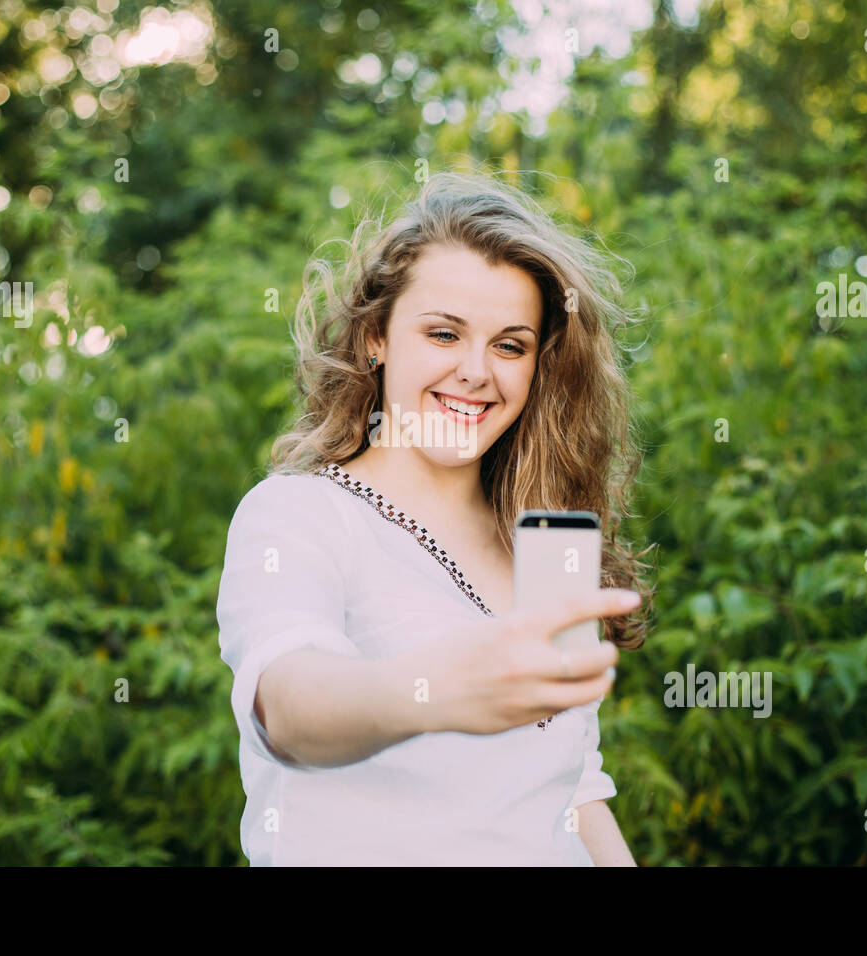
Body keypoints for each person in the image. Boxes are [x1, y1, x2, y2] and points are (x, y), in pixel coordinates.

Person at [216, 170, 655, 866]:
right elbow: (290, 711)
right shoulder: (298, 514)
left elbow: (573, 792)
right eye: (444, 333)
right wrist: (437, 691)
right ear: (375, 338)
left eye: (509, 345)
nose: (476, 371)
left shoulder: (544, 545)